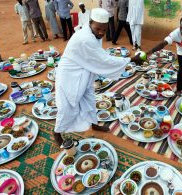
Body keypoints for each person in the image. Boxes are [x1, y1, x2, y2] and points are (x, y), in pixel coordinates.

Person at [53, 8, 142, 145]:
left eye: (104, 30)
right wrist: (130, 60)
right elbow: (104, 60)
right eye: (98, 29)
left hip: (84, 73)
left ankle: (94, 124)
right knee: (67, 107)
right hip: (70, 76)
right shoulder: (85, 38)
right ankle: (57, 133)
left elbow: (98, 56)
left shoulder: (93, 35)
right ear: (90, 23)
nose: (101, 33)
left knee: (89, 99)